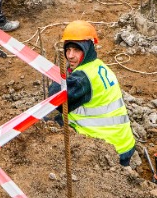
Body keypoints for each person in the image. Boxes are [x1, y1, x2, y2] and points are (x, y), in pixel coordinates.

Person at [46, 21, 137, 166]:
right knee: (57, 121)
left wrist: (60, 76)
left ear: (87, 49)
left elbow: (55, 97)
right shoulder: (98, 65)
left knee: (47, 128)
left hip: (109, 150)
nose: (70, 56)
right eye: (68, 49)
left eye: (76, 50)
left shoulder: (83, 78)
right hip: (123, 142)